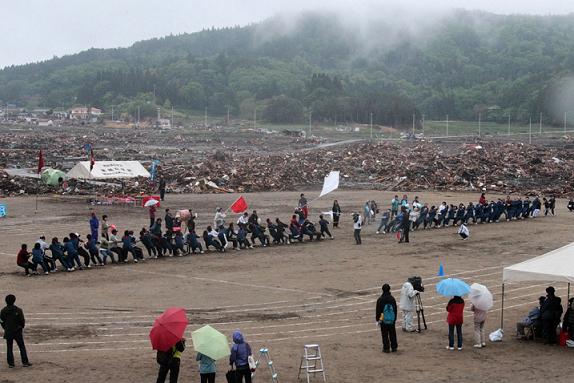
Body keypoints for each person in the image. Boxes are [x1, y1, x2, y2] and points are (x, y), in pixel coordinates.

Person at [0, 294, 31, 368]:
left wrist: (5, 328)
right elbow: (22, 321)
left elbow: (1, 321)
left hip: (8, 331)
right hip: (17, 331)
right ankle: (25, 362)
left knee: (9, 347)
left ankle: (11, 363)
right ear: (14, 301)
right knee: (21, 347)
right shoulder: (18, 310)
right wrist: (21, 327)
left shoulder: (3, 310)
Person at [376, 284, 398, 353]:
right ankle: (394, 347)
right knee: (392, 333)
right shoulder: (392, 299)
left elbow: (378, 310)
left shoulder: (380, 299)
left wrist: (378, 319)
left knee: (384, 334)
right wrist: (394, 319)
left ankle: (386, 348)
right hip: (391, 319)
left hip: (383, 319)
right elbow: (395, 310)